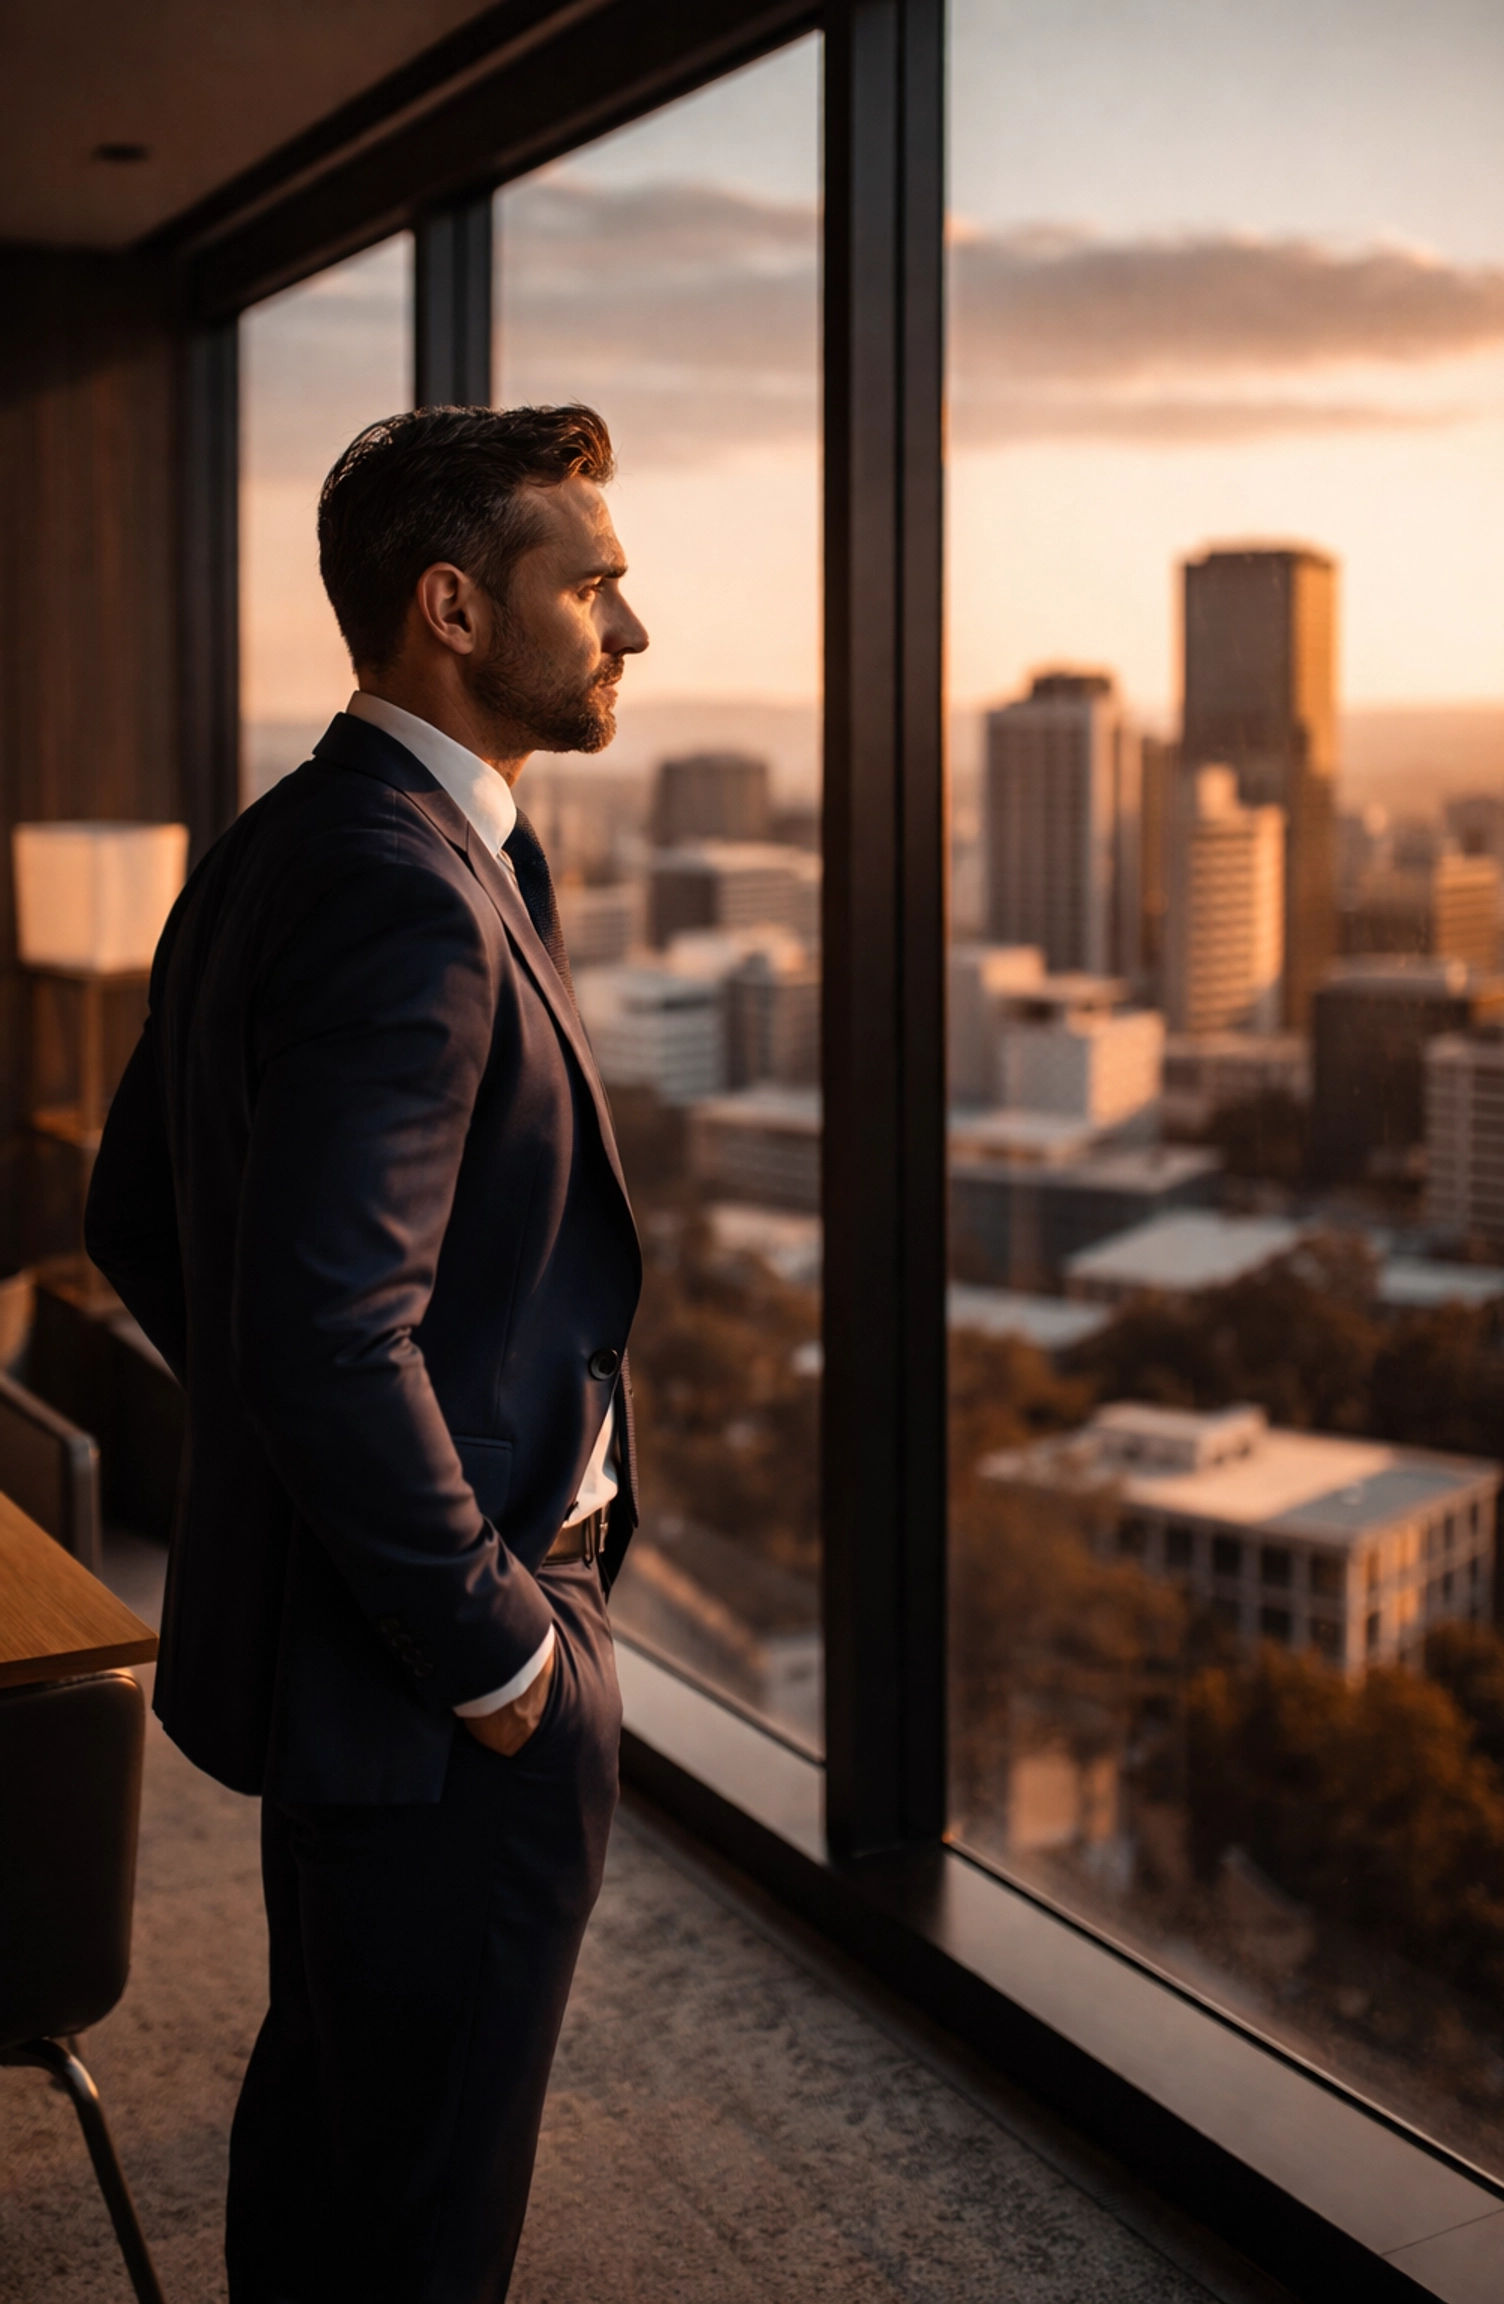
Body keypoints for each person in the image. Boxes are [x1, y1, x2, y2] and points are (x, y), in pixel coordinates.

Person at [85, 403, 650, 2304]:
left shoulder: (290, 840)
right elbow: (324, 1330)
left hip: (373, 1637)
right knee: (425, 2204)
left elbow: (140, 1219)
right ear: (453, 609)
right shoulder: (405, 885)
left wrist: (312, 1444)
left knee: (339, 2122)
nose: (629, 627)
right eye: (590, 585)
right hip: (443, 1669)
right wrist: (493, 1643)